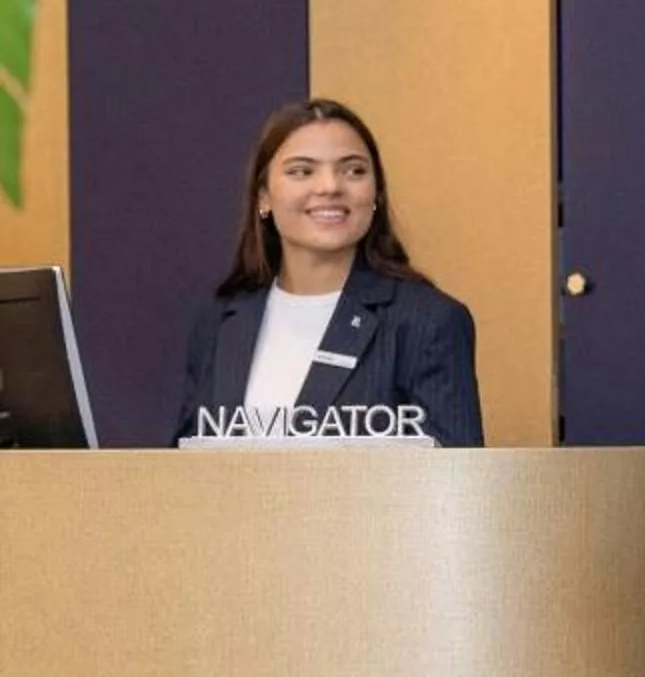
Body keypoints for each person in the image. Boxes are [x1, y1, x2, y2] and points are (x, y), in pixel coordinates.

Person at [178, 97, 486, 445]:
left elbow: (456, 481)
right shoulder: (220, 324)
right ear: (263, 197)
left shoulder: (428, 322)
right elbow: (189, 472)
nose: (329, 187)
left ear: (376, 194)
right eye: (302, 171)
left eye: (353, 170)